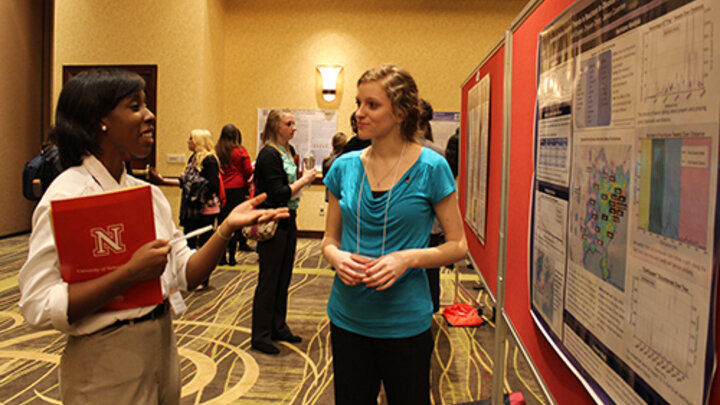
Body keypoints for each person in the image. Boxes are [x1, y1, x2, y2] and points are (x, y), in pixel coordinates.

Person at [17, 68, 288, 405]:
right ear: (99, 120)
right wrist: (129, 273)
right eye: (135, 107)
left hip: (161, 343)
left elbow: (186, 274)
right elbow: (37, 304)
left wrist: (226, 228)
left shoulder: (147, 194)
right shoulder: (67, 197)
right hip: (104, 358)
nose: (150, 116)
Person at [322, 65, 467, 404]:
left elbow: (458, 245)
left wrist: (407, 258)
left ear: (400, 112)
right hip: (348, 316)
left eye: (372, 105)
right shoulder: (344, 167)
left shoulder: (432, 167)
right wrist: (337, 256)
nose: (359, 113)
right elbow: (329, 240)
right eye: (359, 103)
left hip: (405, 320)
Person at [251, 109, 317, 354]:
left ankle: (278, 326)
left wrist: (299, 180)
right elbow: (277, 192)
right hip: (273, 220)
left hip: (289, 218)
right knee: (269, 280)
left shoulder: (288, 151)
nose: (294, 127)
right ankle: (261, 335)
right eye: (289, 123)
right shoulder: (269, 154)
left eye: (294, 123)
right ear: (276, 127)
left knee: (283, 278)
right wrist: (304, 180)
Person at [179, 129, 221, 290]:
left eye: (191, 138)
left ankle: (203, 280)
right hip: (192, 209)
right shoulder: (193, 158)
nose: (188, 141)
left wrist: (191, 182)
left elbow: (213, 185)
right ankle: (188, 276)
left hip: (206, 209)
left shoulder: (209, 160)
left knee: (204, 245)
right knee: (188, 242)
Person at [417, 99, 445, 313]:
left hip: (422, 228)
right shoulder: (437, 152)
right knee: (428, 277)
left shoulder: (434, 155)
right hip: (430, 228)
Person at [215, 123, 254, 264]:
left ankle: (220, 257)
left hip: (221, 188)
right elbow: (248, 170)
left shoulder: (217, 150)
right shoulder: (240, 151)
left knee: (222, 223)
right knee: (234, 223)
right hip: (237, 188)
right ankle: (231, 258)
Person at [322, 131, 348, 202]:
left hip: (329, 194)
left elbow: (325, 180)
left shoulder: (326, 160)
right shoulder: (343, 160)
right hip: (341, 194)